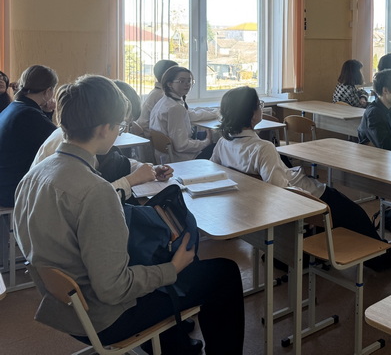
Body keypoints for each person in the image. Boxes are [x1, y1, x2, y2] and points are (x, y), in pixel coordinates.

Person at [14, 75, 244, 354]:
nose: (119, 133)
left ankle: (173, 344)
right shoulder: (95, 191)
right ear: (104, 128)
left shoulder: (35, 174)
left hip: (64, 305)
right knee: (223, 274)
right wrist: (173, 268)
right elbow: (114, 289)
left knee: (149, 255)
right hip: (106, 317)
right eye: (119, 127)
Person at [212, 86, 391, 270]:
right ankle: (381, 258)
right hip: (308, 197)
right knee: (355, 213)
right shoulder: (263, 148)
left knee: (343, 212)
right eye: (259, 105)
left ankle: (297, 250)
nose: (261, 108)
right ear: (251, 113)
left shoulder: (223, 143)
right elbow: (279, 190)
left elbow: (214, 170)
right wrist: (310, 199)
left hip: (257, 204)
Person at [33, 80, 173, 200]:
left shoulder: (80, 139)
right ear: (106, 126)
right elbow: (92, 199)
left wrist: (146, 170)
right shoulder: (67, 148)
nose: (121, 133)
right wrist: (132, 180)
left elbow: (115, 161)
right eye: (122, 125)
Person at [0, 65, 58, 206]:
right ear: (48, 91)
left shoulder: (13, 107)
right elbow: (59, 141)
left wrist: (46, 113)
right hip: (13, 191)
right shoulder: (30, 114)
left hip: (4, 184)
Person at [150, 66, 214, 162]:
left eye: (189, 81)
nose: (187, 84)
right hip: (181, 159)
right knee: (219, 146)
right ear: (169, 84)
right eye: (181, 81)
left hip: (163, 157)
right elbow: (181, 146)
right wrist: (206, 142)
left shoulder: (165, 101)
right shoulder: (175, 108)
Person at [137, 59, 216, 135]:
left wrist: (211, 110)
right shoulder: (162, 95)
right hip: (151, 137)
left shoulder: (159, 92)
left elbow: (187, 111)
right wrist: (216, 113)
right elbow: (189, 116)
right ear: (169, 76)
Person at [358, 69, 391, 151]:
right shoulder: (374, 113)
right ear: (385, 90)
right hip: (372, 156)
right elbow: (386, 145)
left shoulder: (390, 107)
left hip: (385, 155)